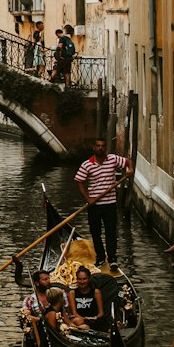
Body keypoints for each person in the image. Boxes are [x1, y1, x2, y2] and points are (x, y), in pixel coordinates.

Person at [74, 138, 130, 272]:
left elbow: (128, 161)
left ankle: (112, 259)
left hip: (110, 203)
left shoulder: (112, 159)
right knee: (95, 232)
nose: (100, 148)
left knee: (111, 232)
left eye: (103, 146)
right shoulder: (87, 164)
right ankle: (100, 257)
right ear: (94, 147)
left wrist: (131, 169)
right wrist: (88, 199)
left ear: (105, 148)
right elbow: (79, 182)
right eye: (98, 146)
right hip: (94, 205)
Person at [67, 266, 108, 331]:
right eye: (80, 279)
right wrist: (84, 319)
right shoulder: (72, 293)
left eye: (84, 279)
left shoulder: (96, 292)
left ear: (89, 279)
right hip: (80, 320)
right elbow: (75, 313)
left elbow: (101, 313)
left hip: (94, 320)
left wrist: (94, 318)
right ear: (77, 279)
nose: (82, 282)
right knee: (78, 321)